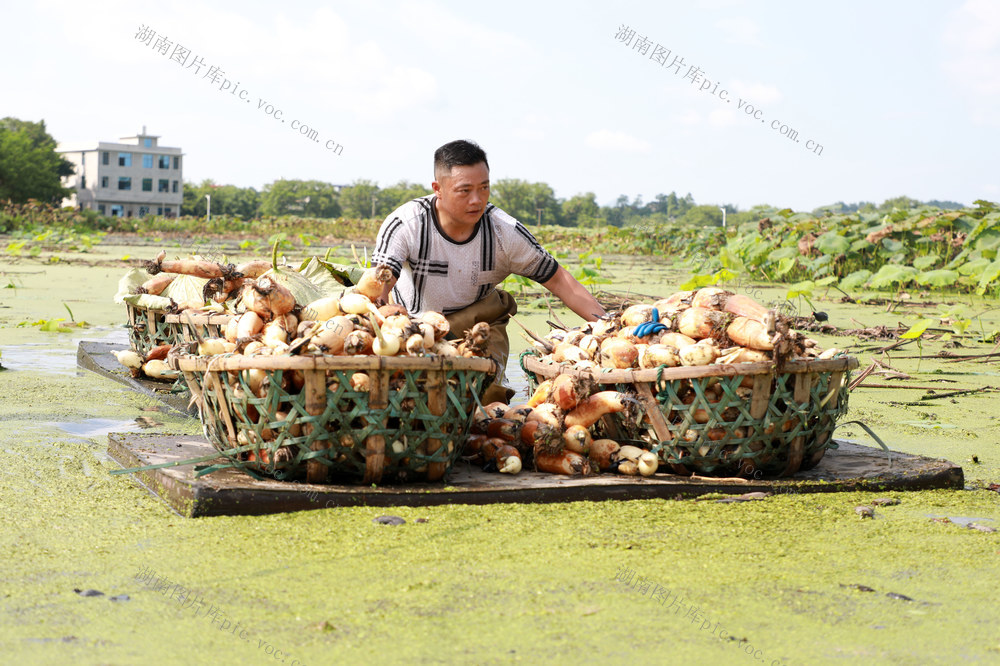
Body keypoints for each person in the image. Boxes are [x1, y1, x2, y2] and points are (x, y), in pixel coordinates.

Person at [372, 139, 606, 403]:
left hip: (480, 325)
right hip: (414, 329)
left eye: (484, 188)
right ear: (438, 189)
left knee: (483, 396)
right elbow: (379, 287)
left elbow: (559, 279)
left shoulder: (504, 233)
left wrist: (608, 327)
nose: (477, 200)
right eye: (464, 191)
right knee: (412, 398)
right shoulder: (407, 224)